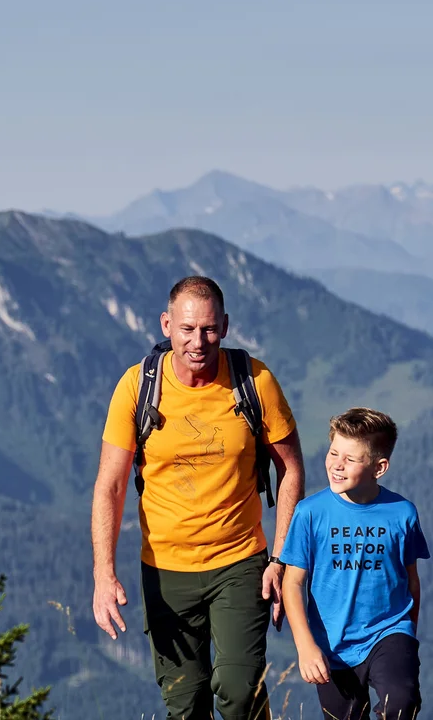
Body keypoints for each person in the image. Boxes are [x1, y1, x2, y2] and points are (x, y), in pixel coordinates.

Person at [91, 275, 307, 720]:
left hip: (241, 562)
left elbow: (291, 469)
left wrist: (282, 559)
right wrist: (103, 574)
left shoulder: (255, 381)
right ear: (166, 325)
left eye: (209, 329)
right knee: (185, 704)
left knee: (238, 690)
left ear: (225, 326)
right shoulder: (137, 387)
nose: (198, 341)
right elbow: (109, 485)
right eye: (187, 329)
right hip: (166, 570)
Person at [279, 407, 429, 720]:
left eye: (351, 459)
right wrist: (305, 646)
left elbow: (411, 580)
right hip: (331, 643)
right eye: (334, 452)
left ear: (379, 466)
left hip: (389, 632)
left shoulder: (403, 513)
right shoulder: (310, 513)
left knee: (401, 702)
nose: (337, 465)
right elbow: (292, 582)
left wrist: (408, 636)